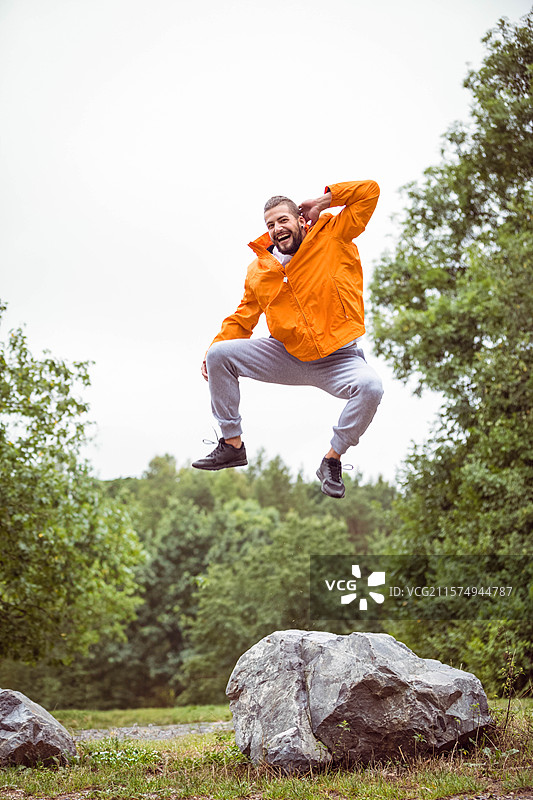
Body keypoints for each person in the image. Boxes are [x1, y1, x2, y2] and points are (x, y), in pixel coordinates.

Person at [192, 180, 384, 498]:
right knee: (219, 354)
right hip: (287, 354)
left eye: (283, 220)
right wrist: (213, 349)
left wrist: (324, 201)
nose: (277, 228)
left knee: (371, 388)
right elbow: (243, 319)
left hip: (339, 358)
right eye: (270, 224)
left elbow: (369, 192)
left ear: (299, 219)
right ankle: (232, 444)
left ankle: (332, 460)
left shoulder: (334, 234)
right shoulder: (260, 270)